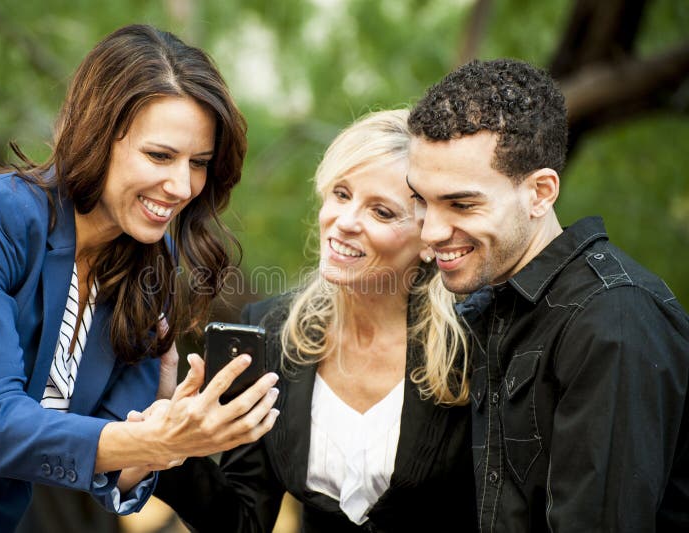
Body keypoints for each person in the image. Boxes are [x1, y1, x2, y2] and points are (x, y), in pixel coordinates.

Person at [0, 25, 280, 532]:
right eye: (160, 156)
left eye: (199, 163)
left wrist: (167, 424)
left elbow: (114, 456)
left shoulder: (150, 260)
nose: (182, 186)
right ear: (96, 134)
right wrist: (159, 440)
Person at [150, 109, 478, 531]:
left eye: (380, 212)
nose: (343, 223)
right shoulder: (270, 332)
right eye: (341, 194)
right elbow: (243, 520)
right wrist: (170, 439)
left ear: (430, 237)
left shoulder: (476, 343)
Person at [406, 58, 689, 531]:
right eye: (420, 198)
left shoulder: (612, 321)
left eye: (461, 203)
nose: (431, 231)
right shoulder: (494, 306)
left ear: (540, 192)